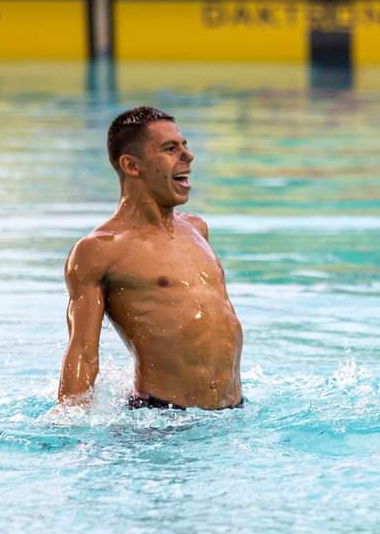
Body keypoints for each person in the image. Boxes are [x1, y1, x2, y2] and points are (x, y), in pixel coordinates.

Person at [56, 106, 243, 410]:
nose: (188, 156)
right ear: (131, 165)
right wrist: (68, 422)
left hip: (233, 411)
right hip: (161, 422)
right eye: (170, 149)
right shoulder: (99, 250)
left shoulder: (196, 229)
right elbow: (83, 353)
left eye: (185, 145)